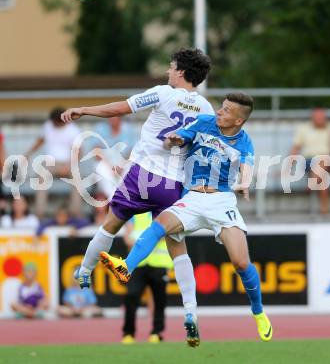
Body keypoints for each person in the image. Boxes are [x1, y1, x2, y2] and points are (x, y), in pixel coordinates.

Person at [61, 48, 214, 346]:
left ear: (181, 72)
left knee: (110, 226)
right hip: (173, 185)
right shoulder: (207, 109)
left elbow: (120, 108)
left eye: (171, 67)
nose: (168, 72)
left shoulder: (162, 93)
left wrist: (85, 110)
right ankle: (191, 314)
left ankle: (85, 273)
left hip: (142, 176)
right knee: (178, 249)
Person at [101, 93, 273, 345]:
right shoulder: (204, 122)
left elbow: (246, 169)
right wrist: (175, 139)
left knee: (240, 262)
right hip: (190, 197)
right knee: (158, 225)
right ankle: (126, 267)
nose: (220, 112)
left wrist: (244, 183)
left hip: (220, 201)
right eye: (221, 107)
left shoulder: (244, 142)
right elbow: (184, 136)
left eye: (226, 111)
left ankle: (258, 313)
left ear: (238, 121)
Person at [121, 212, 173, 344]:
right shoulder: (135, 215)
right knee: (131, 296)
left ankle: (157, 332)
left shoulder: (163, 212)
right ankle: (128, 333)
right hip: (138, 265)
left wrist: (139, 238)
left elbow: (166, 234)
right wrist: (152, 237)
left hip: (159, 263)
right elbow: (128, 240)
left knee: (159, 300)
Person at [26, 107, 82, 218]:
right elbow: (40, 141)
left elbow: (78, 151)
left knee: (78, 178)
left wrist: (69, 165)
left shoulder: (73, 130)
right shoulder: (48, 126)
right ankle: (40, 213)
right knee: (41, 175)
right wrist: (28, 154)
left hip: (68, 163)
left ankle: (75, 213)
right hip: (50, 163)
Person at [290, 107, 330, 214]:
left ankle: (313, 182)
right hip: (308, 161)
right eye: (317, 117)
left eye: (321, 117)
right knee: (322, 174)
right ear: (312, 118)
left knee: (322, 163)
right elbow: (296, 147)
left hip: (328, 160)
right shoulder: (303, 128)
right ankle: (324, 208)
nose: (319, 119)